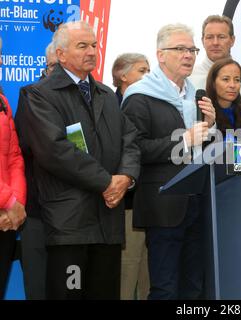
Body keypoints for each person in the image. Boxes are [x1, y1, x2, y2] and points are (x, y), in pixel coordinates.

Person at [19, 21, 140, 300]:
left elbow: (129, 140)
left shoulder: (107, 95)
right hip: (69, 223)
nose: (91, 51)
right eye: (82, 46)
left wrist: (126, 178)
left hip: (108, 221)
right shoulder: (38, 94)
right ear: (61, 55)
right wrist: (106, 182)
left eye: (94, 45)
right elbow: (54, 150)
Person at [122, 23, 216, 300]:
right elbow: (134, 148)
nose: (189, 55)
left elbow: (203, 149)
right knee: (165, 288)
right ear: (161, 55)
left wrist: (210, 125)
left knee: (194, 286)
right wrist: (185, 140)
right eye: (181, 49)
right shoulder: (140, 96)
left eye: (192, 49)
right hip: (163, 204)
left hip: (197, 202)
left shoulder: (196, 95)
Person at [15, 41, 58, 300]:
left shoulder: (93, 95)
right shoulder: (30, 94)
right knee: (38, 285)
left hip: (75, 213)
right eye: (54, 66)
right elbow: (24, 147)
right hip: (37, 208)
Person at [111, 53, 150, 300]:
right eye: (142, 71)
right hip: (125, 204)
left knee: (148, 273)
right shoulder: (109, 105)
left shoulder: (151, 103)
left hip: (151, 202)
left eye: (149, 70)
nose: (148, 76)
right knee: (127, 271)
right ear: (123, 76)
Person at [190, 15, 241, 119]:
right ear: (202, 41)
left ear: (232, 40)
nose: (215, 43)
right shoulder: (189, 78)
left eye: (221, 37)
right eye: (209, 37)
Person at [0, 36, 27, 299]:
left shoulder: (3, 101)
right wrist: (8, 200)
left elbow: (15, 157)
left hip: (6, 219)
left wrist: (16, 203)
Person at [205, 58, 241, 141]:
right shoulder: (204, 114)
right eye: (226, 79)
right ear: (213, 83)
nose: (232, 85)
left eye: (237, 80)